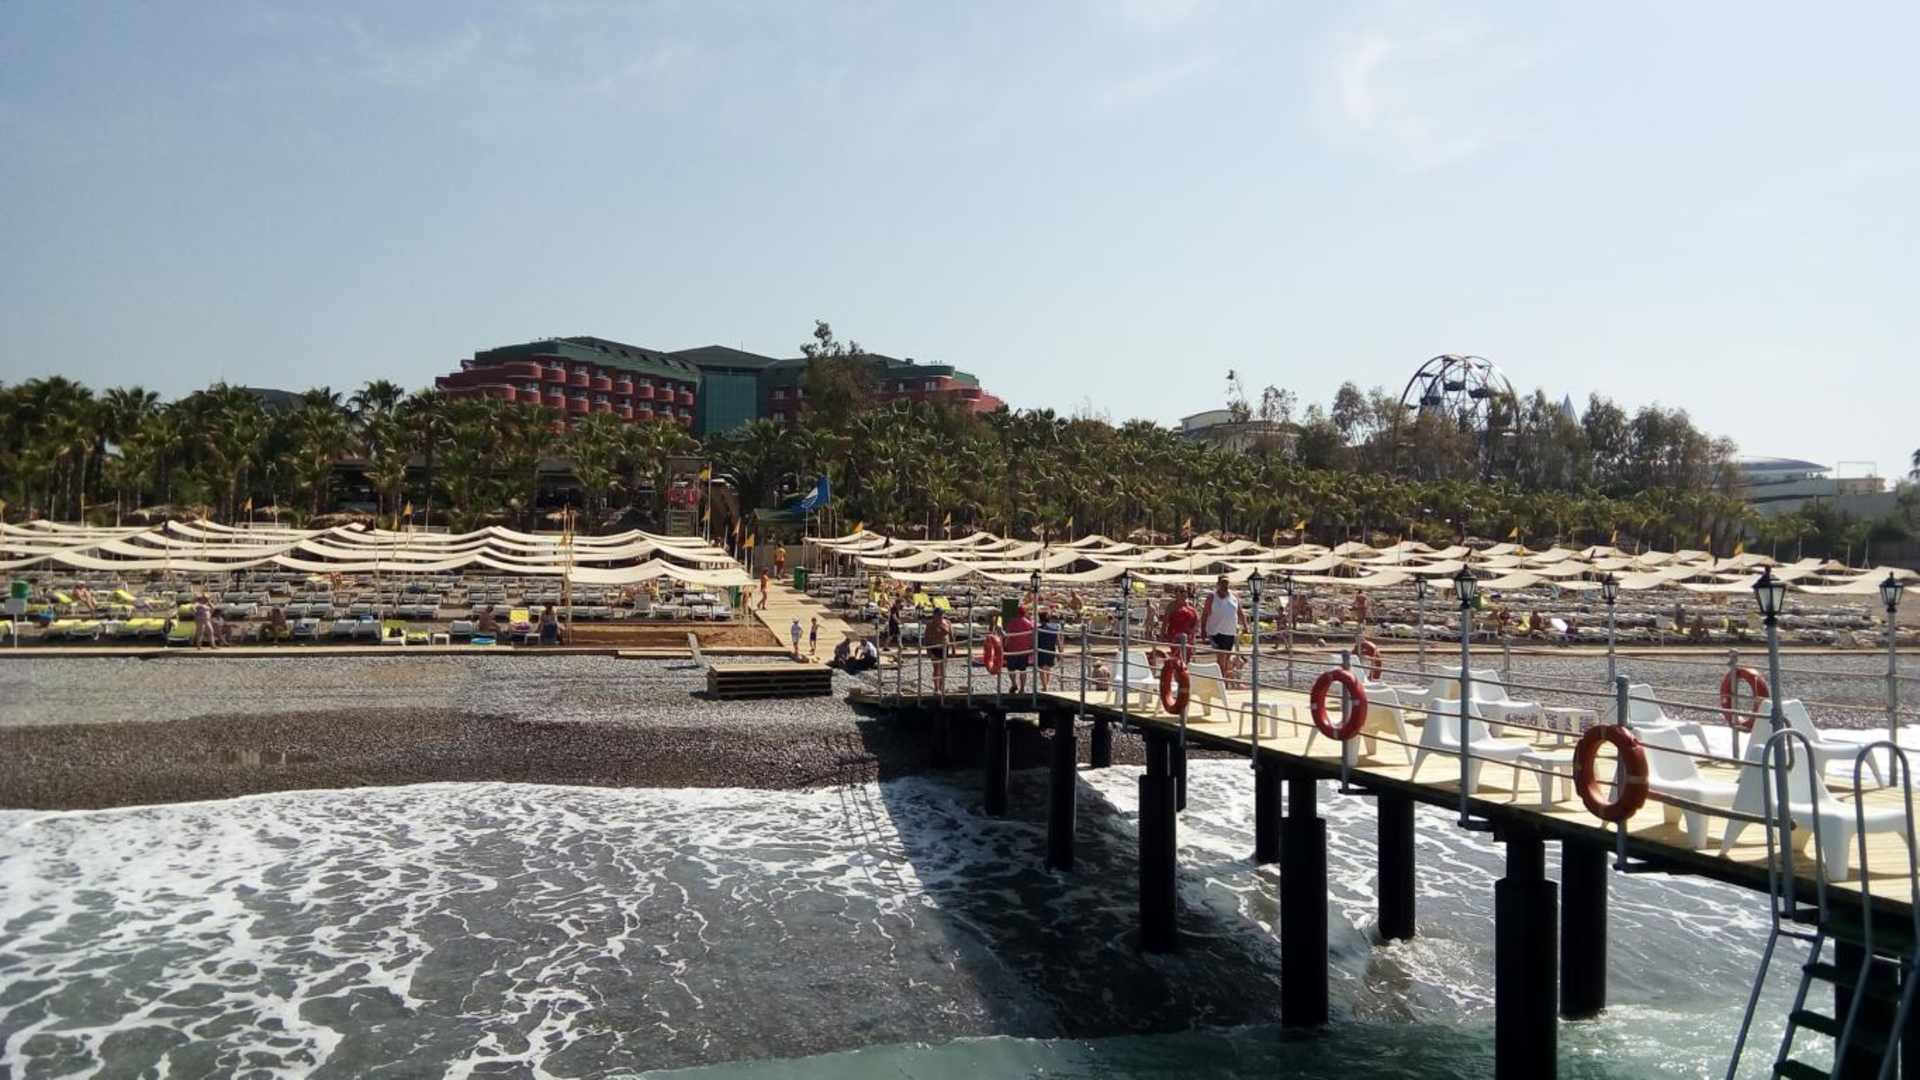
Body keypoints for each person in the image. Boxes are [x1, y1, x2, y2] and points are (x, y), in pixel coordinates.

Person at [1200, 575, 1244, 679]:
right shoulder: (1212, 597)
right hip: (1216, 632)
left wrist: (1245, 626)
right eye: (1223, 583)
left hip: (1230, 632)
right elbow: (1205, 614)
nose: (1225, 585)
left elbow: (1240, 612)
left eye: (1227, 583)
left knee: (1227, 659)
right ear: (1218, 584)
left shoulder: (1234, 597)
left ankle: (1223, 679)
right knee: (1221, 658)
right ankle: (1221, 681)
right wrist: (1203, 630)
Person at [1163, 586, 1199, 665]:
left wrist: (1193, 632)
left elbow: (1197, 620)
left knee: (1187, 657)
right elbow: (1165, 621)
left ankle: (1186, 671)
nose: (1185, 593)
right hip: (1175, 636)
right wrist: (1163, 634)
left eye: (1186, 591)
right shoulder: (1171, 606)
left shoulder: (1190, 604)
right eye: (1182, 591)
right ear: (1176, 593)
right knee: (1177, 658)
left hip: (1189, 637)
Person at [1004, 604, 1035, 693]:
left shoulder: (1011, 622)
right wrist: (1032, 646)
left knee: (1011, 669)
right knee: (1023, 669)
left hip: (1012, 649)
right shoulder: (1029, 623)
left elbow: (1007, 636)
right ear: (1024, 613)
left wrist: (1004, 646)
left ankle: (1014, 684)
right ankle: (1022, 688)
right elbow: (1032, 636)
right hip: (1024, 649)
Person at [924, 607, 950, 692]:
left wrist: (954, 648)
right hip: (934, 647)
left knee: (943, 668)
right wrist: (928, 650)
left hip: (944, 647)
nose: (940, 616)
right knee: (936, 668)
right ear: (934, 615)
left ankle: (941, 686)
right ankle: (936, 687)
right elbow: (926, 637)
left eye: (941, 614)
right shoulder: (930, 625)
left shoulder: (947, 622)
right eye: (938, 615)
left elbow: (948, 633)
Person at [1036, 608, 1061, 691]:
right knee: (1048, 668)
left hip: (1041, 650)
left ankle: (1045, 686)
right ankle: (1047, 684)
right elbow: (1058, 642)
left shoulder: (1038, 630)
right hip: (1051, 650)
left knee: (1042, 668)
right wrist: (1060, 652)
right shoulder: (1053, 630)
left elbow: (1034, 641)